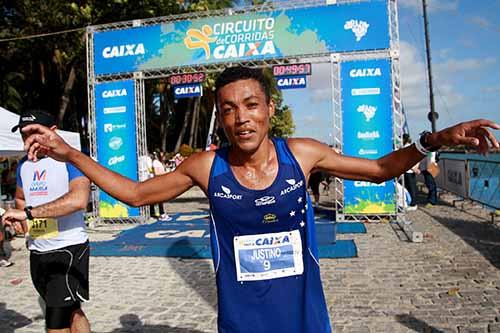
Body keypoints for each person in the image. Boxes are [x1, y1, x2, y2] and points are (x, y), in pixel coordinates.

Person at [17, 67, 499, 333]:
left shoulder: (303, 155)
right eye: (228, 110)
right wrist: (70, 153)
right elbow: (136, 193)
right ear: (220, 118)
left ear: (270, 109)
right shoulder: (207, 166)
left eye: (251, 105)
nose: (241, 118)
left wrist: (435, 140)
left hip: (304, 316)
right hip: (242, 320)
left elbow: (378, 171)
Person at [1, 109, 91, 333]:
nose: (27, 139)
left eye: (33, 132)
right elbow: (21, 198)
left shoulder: (71, 159)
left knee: (55, 321)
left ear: (52, 131)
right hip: (38, 250)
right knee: (71, 310)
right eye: (23, 134)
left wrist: (30, 214)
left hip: (68, 249)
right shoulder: (23, 165)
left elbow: (79, 200)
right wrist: (22, 219)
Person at [152, 152, 171, 221]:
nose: (163, 157)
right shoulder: (155, 162)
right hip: (157, 182)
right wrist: (166, 173)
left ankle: (160, 213)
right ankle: (161, 214)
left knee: (160, 199)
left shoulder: (159, 162)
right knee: (160, 199)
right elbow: (156, 173)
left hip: (160, 182)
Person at [403, 134, 420, 210]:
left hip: (409, 170)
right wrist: (416, 168)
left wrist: (413, 169)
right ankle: (412, 202)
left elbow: (407, 161)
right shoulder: (413, 146)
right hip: (412, 170)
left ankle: (413, 204)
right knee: (412, 187)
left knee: (410, 187)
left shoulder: (405, 147)